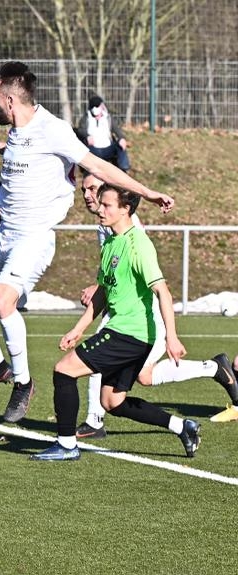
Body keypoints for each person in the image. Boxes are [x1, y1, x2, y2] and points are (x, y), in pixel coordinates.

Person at [0, 61, 174, 424]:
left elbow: (101, 168)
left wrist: (146, 193)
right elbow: (19, 147)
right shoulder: (16, 131)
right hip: (5, 233)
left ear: (10, 99)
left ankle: (23, 383)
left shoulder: (53, 129)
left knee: (2, 299)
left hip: (34, 236)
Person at [30, 184, 200, 461]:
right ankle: (183, 426)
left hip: (129, 334)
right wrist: (78, 328)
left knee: (64, 371)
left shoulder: (138, 245)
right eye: (100, 203)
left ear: (126, 209)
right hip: (130, 335)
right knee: (111, 402)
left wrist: (172, 337)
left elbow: (163, 292)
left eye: (107, 204)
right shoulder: (110, 242)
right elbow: (102, 293)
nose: (100, 209)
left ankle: (66, 445)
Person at [74, 170, 238, 438]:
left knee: (97, 358)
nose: (87, 196)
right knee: (145, 376)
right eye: (84, 190)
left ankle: (94, 420)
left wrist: (100, 288)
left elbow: (150, 281)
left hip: (141, 314)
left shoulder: (128, 228)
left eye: (93, 189)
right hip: (123, 311)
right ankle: (213, 368)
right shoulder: (105, 223)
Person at [78, 95, 130, 172]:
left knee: (120, 146)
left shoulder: (108, 118)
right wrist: (87, 136)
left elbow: (117, 130)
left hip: (108, 147)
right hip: (93, 149)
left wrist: (121, 138)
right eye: (94, 107)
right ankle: (87, 170)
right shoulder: (86, 119)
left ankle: (124, 168)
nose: (96, 109)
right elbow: (81, 130)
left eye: (98, 106)